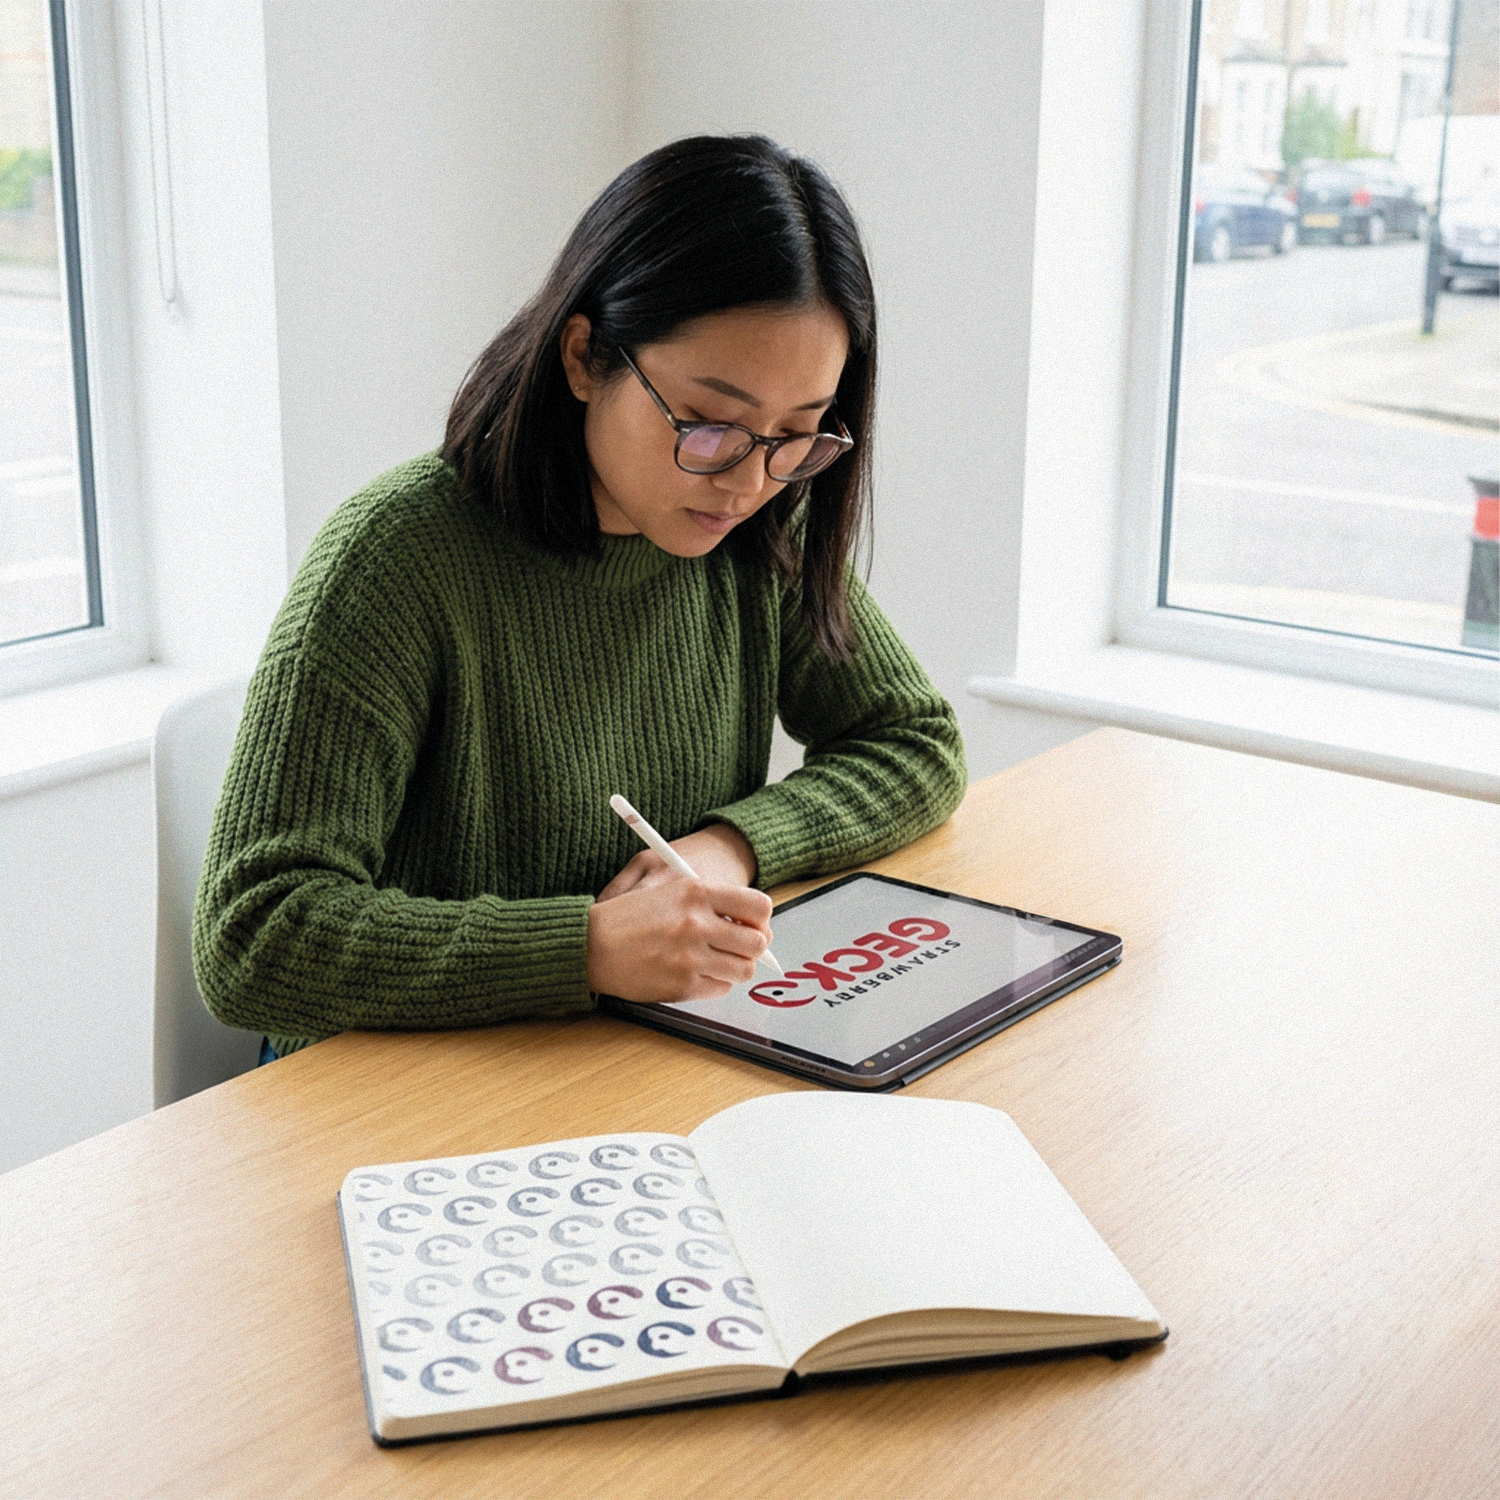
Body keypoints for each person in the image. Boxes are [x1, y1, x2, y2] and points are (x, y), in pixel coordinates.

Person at [193, 133, 966, 1059]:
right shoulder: (396, 560)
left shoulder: (760, 533)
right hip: (398, 1093)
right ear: (584, 356)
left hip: (625, 1058)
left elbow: (913, 742)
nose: (749, 479)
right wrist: (585, 949)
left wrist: (731, 844)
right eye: (711, 424)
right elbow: (253, 934)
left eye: (799, 436)